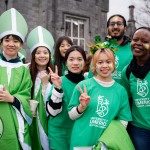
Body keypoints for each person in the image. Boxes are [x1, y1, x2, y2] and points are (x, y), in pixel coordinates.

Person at [68, 47, 132, 149]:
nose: (104, 66)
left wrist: (107, 140)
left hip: (106, 144)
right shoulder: (84, 86)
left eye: (108, 62)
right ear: (94, 65)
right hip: (82, 141)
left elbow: (123, 121)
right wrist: (81, 107)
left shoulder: (121, 91)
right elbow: (71, 116)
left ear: (114, 64)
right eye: (100, 62)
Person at [0, 8, 32, 149]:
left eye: (15, 41)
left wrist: (12, 99)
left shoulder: (24, 70)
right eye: (7, 40)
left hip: (15, 119)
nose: (11, 44)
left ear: (21, 45)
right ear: (1, 42)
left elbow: (26, 95)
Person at [46, 45, 86, 150]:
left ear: (84, 62)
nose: (75, 63)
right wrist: (58, 88)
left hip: (80, 133)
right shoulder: (60, 81)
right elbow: (52, 112)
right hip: (59, 135)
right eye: (71, 59)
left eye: (79, 59)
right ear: (66, 62)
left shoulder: (89, 83)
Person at [121, 27, 150, 150]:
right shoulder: (126, 71)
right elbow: (128, 101)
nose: (138, 43)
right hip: (139, 130)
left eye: (144, 41)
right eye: (135, 39)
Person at [27, 26, 54, 150]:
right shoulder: (26, 71)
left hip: (48, 122)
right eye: (38, 53)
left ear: (50, 55)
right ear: (33, 55)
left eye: (45, 52)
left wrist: (45, 85)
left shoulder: (55, 75)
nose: (42, 56)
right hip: (28, 119)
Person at [107, 14, 133, 84]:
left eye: (119, 24)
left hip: (126, 94)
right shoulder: (101, 48)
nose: (115, 27)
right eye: (112, 24)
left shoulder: (133, 48)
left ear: (125, 28)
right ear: (107, 28)